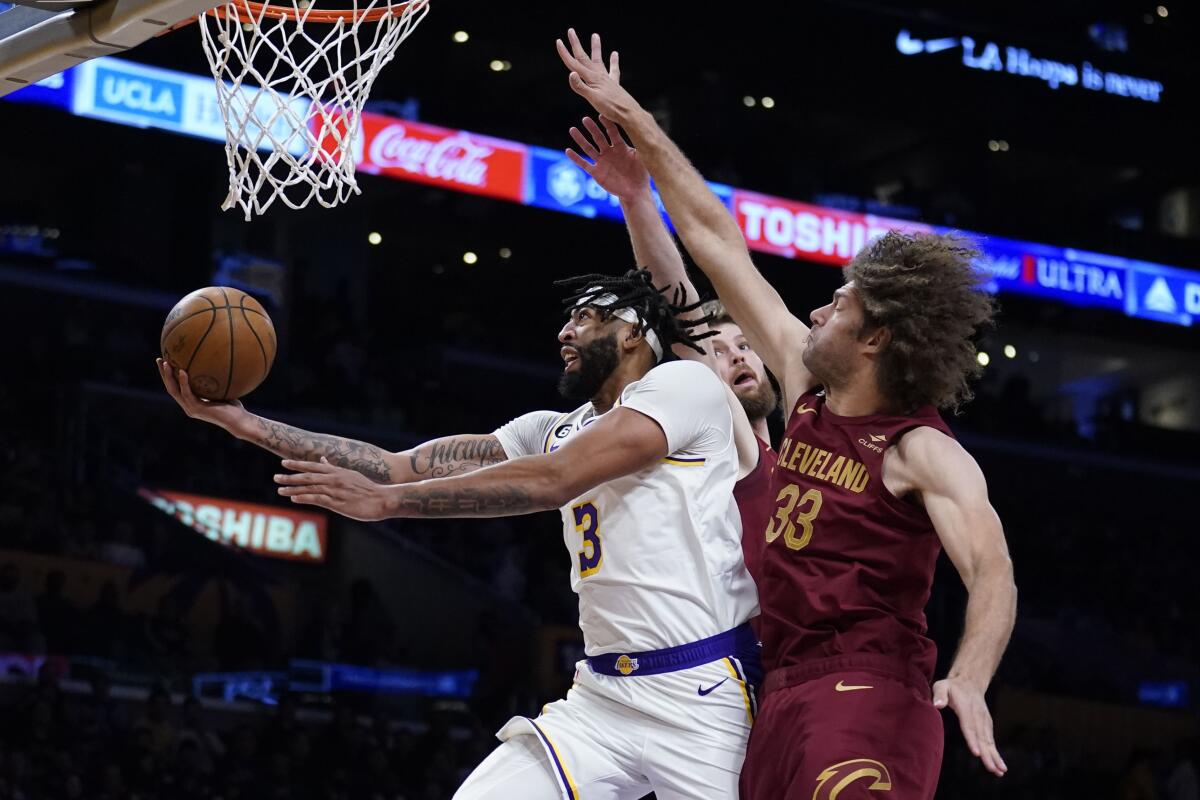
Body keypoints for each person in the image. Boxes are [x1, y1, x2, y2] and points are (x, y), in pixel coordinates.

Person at [557, 29, 1018, 798]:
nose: (815, 310)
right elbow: (713, 243)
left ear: (875, 338)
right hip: (775, 692)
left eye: (837, 306)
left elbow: (992, 570)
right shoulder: (805, 396)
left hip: (868, 692)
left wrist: (970, 678)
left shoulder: (920, 450)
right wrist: (633, 116)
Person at [159, 269, 761, 799]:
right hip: (604, 696)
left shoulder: (685, 387)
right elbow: (394, 465)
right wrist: (242, 424)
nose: (564, 334)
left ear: (633, 333)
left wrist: (390, 504)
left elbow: (556, 480)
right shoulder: (551, 429)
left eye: (584, 317)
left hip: (701, 691)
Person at [564, 114, 778, 582]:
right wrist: (637, 199)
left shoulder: (798, 458)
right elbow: (679, 307)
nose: (737, 355)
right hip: (724, 648)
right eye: (718, 351)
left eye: (744, 344)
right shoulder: (722, 445)